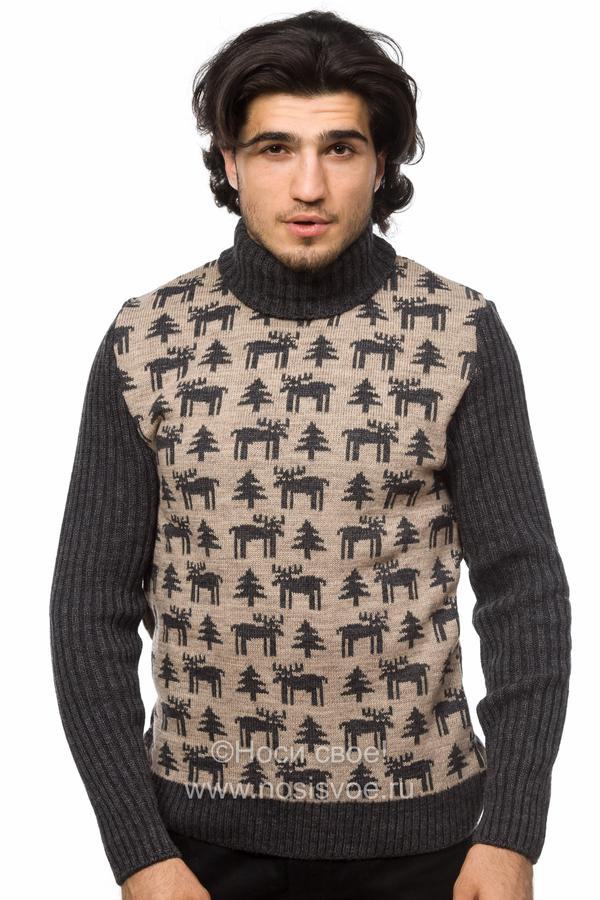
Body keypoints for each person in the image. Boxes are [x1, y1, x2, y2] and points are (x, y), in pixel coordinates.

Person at [49, 9, 571, 900]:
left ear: (382, 162)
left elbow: (524, 589)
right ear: (229, 162)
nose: (308, 186)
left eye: (340, 148)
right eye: (274, 149)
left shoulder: (458, 333)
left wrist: (512, 833)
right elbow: (89, 609)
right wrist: (138, 852)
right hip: (196, 851)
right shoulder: (148, 341)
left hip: (430, 848)